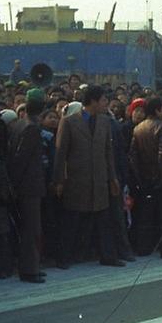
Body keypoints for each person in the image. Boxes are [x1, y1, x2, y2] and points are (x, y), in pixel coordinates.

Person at [52, 85, 123, 268]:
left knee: (103, 221)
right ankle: (64, 258)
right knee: (71, 221)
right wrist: (59, 180)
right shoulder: (69, 122)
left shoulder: (104, 122)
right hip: (77, 180)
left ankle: (108, 257)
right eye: (103, 100)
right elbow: (61, 154)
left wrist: (112, 177)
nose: (106, 104)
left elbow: (108, 152)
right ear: (93, 101)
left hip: (99, 180)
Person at [6, 89, 49, 283]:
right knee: (32, 229)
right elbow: (21, 160)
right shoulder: (32, 128)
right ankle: (29, 269)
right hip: (29, 187)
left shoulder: (18, 124)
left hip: (24, 186)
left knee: (30, 229)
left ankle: (32, 266)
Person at [128, 96, 162, 257]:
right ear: (157, 110)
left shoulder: (138, 128)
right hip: (161, 176)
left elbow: (133, 157)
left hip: (144, 176)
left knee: (145, 214)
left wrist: (139, 176)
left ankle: (143, 248)